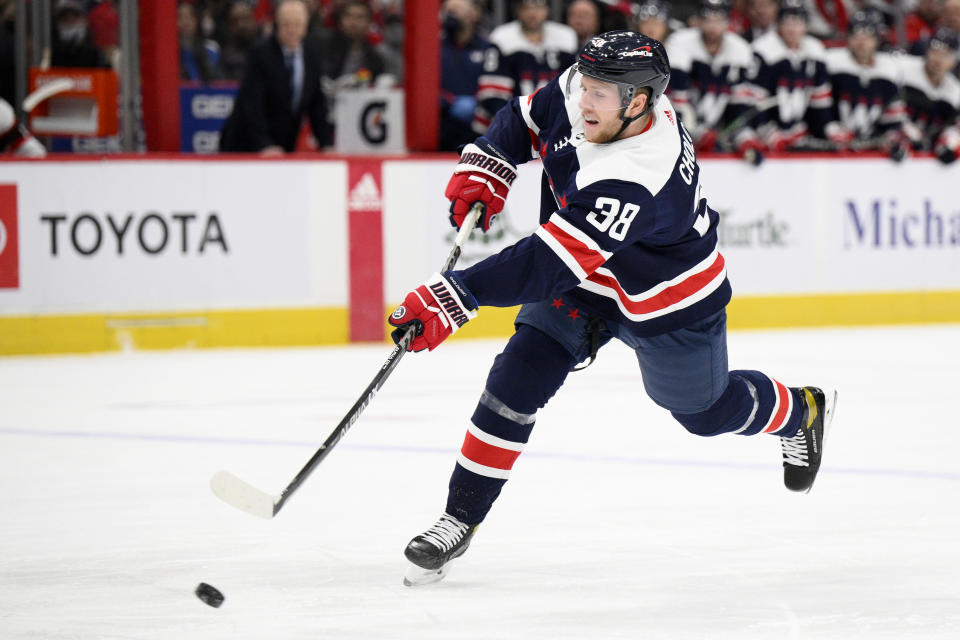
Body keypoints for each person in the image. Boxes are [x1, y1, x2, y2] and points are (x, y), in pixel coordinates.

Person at [387, 30, 838, 587]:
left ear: (640, 103)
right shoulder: (596, 90)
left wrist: (458, 295)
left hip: (665, 297)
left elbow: (549, 261)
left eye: (601, 94)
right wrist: (491, 164)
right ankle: (459, 518)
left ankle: (800, 412)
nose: (583, 102)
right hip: (584, 281)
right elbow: (528, 117)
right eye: (587, 86)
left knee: (703, 413)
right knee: (516, 379)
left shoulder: (640, 170)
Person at [219, 0, 330, 154]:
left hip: (284, 145)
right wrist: (264, 144)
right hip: (245, 146)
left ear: (305, 27)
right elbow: (251, 103)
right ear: (277, 25)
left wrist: (325, 144)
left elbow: (316, 103)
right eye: (286, 24)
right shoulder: (260, 53)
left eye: (297, 24)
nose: (292, 30)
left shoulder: (311, 55)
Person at [747, 0, 848, 151]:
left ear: (806, 26)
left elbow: (820, 104)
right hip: (764, 137)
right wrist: (768, 134)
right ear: (779, 24)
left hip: (800, 136)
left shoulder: (815, 52)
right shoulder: (762, 52)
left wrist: (830, 130)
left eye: (798, 23)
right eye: (787, 23)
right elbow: (753, 105)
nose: (792, 29)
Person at [665, 0, 761, 158]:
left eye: (718, 21)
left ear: (728, 23)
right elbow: (675, 100)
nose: (713, 27)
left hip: (713, 134)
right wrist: (696, 132)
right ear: (698, 21)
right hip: (676, 134)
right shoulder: (680, 43)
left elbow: (739, 108)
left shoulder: (740, 50)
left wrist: (745, 138)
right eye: (708, 20)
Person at [473, 0, 578, 135]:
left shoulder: (565, 37)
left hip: (553, 123)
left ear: (547, 10)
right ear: (518, 10)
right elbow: (494, 94)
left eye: (538, 7)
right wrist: (512, 124)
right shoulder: (502, 38)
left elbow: (573, 86)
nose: (532, 13)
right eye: (526, 8)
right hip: (511, 124)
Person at [824, 10, 908, 158]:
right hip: (831, 147)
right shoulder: (832, 64)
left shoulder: (889, 71)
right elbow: (817, 108)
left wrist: (892, 138)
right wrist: (829, 128)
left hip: (869, 148)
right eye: (856, 36)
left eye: (867, 36)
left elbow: (892, 118)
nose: (861, 42)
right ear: (848, 38)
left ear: (877, 40)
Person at [441, 0, 497, 151]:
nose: (450, 17)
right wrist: (449, 102)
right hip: (443, 127)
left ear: (474, 14)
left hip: (480, 129)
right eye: (448, 12)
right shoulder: (436, 48)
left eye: (456, 11)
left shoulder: (489, 48)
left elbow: (497, 88)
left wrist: (479, 105)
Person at [899, 28, 960, 164]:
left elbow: (952, 129)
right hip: (891, 149)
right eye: (935, 52)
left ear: (954, 60)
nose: (938, 59)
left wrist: (947, 145)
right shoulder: (902, 71)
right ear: (926, 52)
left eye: (946, 55)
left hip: (924, 161)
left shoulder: (955, 92)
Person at [51, 0, 108, 68]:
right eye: (65, 19)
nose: (70, 23)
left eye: (75, 18)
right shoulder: (53, 56)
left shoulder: (96, 56)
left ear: (85, 21)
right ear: (57, 24)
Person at [179, 1, 223, 83]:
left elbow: (218, 79)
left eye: (190, 17)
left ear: (197, 20)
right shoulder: (168, 52)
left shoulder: (210, 47)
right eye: (180, 17)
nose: (185, 23)